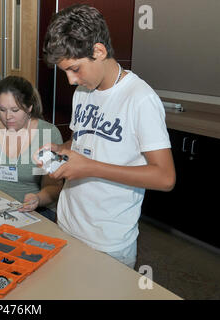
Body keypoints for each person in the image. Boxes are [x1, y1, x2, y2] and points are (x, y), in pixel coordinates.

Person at [40, 4, 176, 268]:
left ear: (98, 51)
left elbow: (165, 177)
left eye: (75, 69)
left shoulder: (141, 99)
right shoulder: (83, 92)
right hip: (67, 223)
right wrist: (60, 149)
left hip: (108, 241)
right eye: (64, 71)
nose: (70, 80)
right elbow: (83, 141)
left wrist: (89, 168)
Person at [0, 76, 63, 221]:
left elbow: (54, 186)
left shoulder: (48, 134)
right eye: (2, 109)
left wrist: (38, 199)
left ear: (29, 107)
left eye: (15, 110)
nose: (8, 116)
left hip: (30, 213)